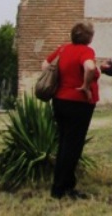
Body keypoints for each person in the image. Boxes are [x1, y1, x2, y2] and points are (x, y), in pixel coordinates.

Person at [42, 20, 100, 200]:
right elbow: (89, 67)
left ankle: (61, 185)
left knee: (64, 144)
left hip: (60, 100)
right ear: (89, 37)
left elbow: (45, 64)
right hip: (78, 102)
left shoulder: (63, 49)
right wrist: (85, 85)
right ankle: (62, 188)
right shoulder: (85, 51)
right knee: (73, 147)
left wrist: (58, 81)